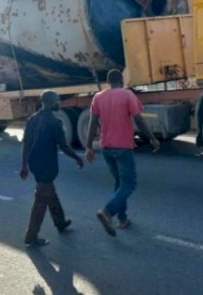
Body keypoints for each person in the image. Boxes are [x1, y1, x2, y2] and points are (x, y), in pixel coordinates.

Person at [85, 69, 160, 237]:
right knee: (129, 183)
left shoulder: (98, 97)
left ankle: (122, 219)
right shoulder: (127, 95)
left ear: (108, 82)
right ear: (122, 81)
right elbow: (139, 119)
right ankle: (107, 212)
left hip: (106, 148)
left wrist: (89, 146)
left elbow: (93, 122)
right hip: (123, 147)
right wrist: (152, 139)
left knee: (119, 182)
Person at [20, 90, 84, 248]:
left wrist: (24, 165)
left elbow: (26, 144)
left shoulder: (32, 119)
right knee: (41, 200)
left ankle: (60, 222)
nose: (59, 103)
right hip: (47, 165)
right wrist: (77, 158)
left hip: (35, 164)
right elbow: (64, 146)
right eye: (57, 100)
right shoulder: (54, 123)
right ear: (49, 102)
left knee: (49, 192)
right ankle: (31, 236)